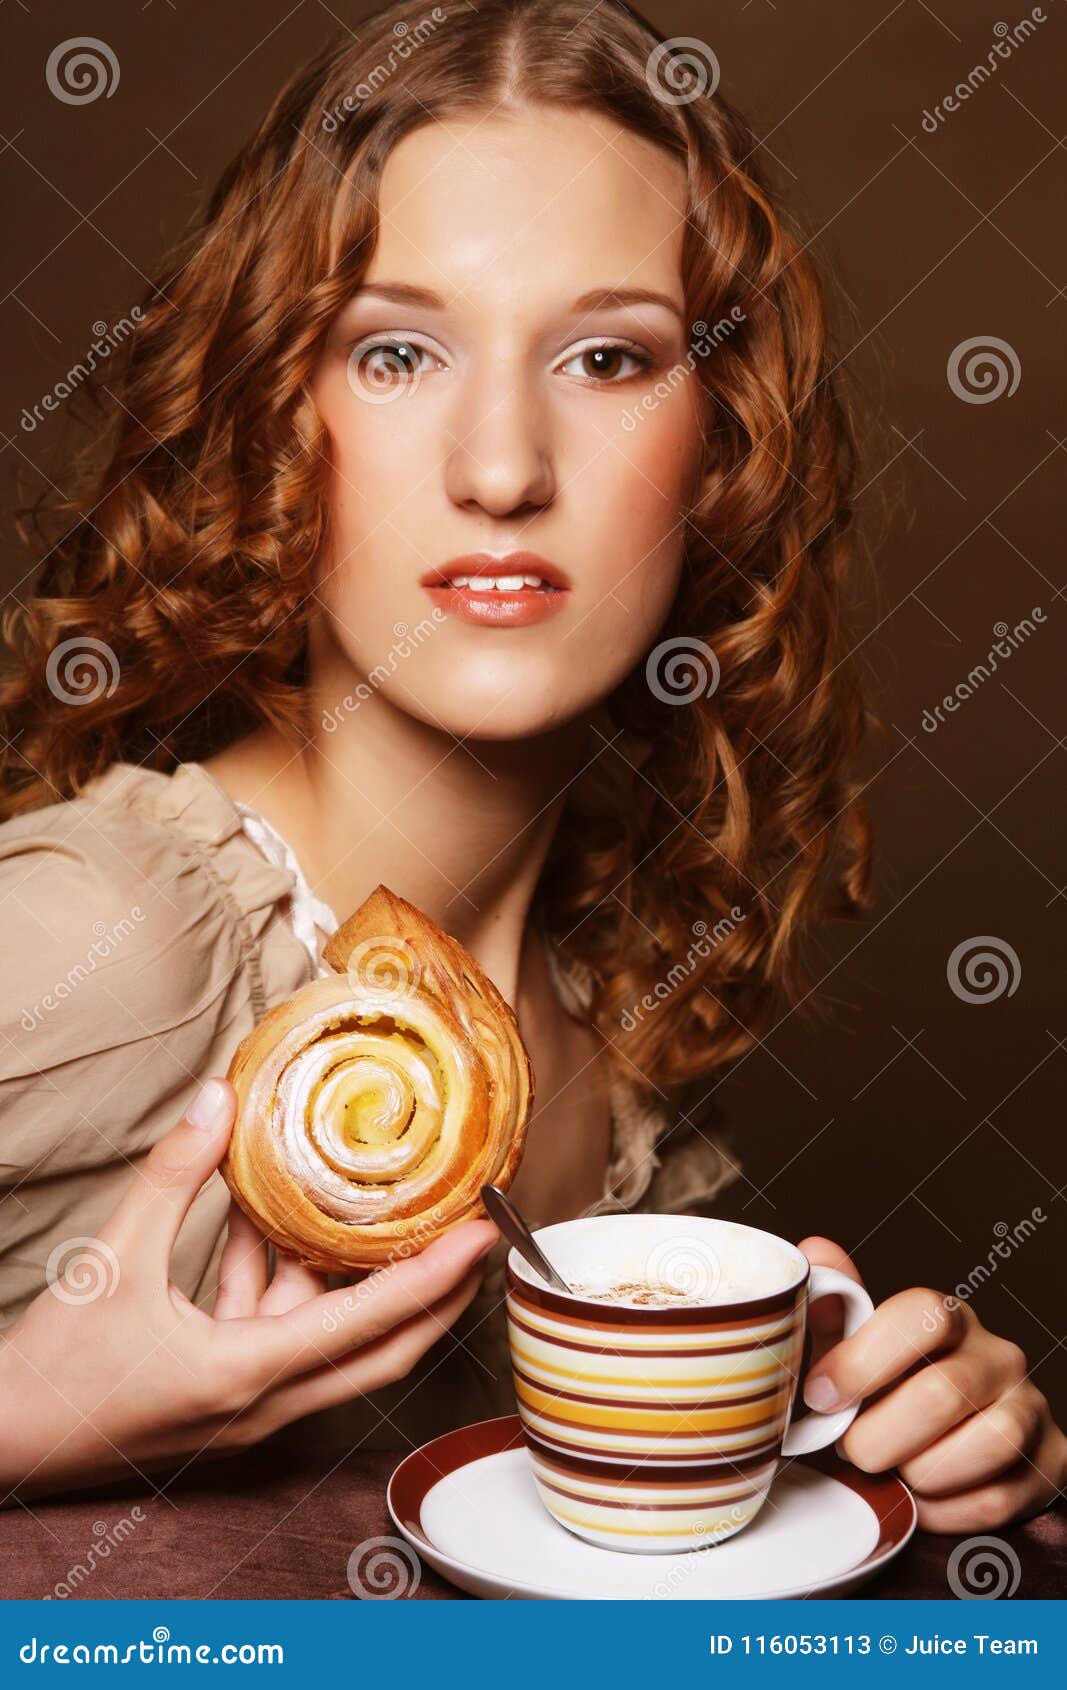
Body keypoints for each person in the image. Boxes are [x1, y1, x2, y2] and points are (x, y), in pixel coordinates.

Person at [1, 0, 1062, 1525]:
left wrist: (915, 1458)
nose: (501, 467)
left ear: (722, 443)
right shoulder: (103, 945)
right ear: (269, 415)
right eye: (396, 351)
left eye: (610, 357)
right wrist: (29, 1415)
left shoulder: (623, 1072)